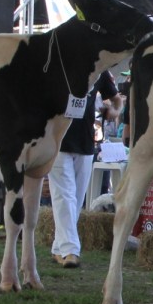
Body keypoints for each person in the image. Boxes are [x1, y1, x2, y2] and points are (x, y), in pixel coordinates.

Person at [49, 61, 118, 268]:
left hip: (86, 141)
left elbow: (116, 100)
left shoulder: (99, 70)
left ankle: (57, 248)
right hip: (57, 139)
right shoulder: (56, 66)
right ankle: (70, 250)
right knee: (65, 194)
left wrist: (113, 111)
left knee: (76, 199)